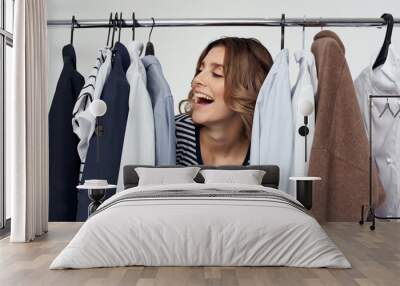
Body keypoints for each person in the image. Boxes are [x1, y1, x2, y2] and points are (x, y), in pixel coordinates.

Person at [176, 37, 273, 166]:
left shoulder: (267, 147)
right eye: (200, 70)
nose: (196, 80)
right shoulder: (173, 136)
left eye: (217, 73)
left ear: (248, 88)